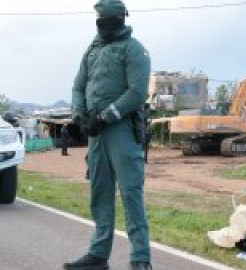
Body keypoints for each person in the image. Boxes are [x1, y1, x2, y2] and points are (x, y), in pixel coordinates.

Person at [65, 1, 152, 270]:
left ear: (122, 18)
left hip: (121, 130)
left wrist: (106, 117)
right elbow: (78, 85)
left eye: (108, 17)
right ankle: (98, 255)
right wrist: (79, 114)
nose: (102, 20)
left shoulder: (133, 49)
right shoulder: (92, 49)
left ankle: (140, 259)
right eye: (100, 16)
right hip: (95, 133)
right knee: (99, 191)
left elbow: (138, 92)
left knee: (130, 192)